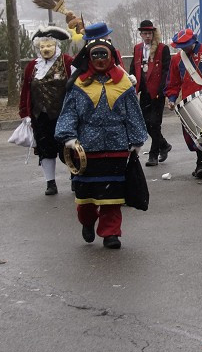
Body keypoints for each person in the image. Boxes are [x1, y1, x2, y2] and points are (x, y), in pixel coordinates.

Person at [55, 34, 147, 249]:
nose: (99, 59)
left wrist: (136, 139)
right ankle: (87, 222)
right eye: (94, 55)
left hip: (116, 147)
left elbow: (134, 113)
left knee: (113, 195)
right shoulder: (78, 84)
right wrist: (68, 137)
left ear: (111, 56)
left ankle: (110, 233)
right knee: (86, 197)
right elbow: (68, 113)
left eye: (103, 54)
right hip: (86, 149)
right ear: (88, 57)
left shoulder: (124, 83)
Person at [19, 26, 74, 195]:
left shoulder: (67, 62)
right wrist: (25, 113)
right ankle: (50, 183)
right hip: (40, 115)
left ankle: (75, 178)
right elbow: (26, 91)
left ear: (56, 46)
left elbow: (77, 87)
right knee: (45, 149)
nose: (45, 49)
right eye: (42, 46)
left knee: (68, 148)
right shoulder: (32, 67)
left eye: (49, 45)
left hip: (63, 115)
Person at [165, 28, 202, 179]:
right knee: (192, 133)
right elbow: (173, 82)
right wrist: (171, 98)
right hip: (187, 101)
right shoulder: (177, 59)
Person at [130, 19, 173, 167]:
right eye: (145, 33)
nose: (147, 36)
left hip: (157, 92)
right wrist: (131, 86)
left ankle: (153, 155)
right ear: (141, 34)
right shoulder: (137, 49)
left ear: (153, 34)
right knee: (145, 123)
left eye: (150, 33)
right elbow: (132, 70)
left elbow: (167, 71)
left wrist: (162, 90)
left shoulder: (162, 48)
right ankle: (164, 145)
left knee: (155, 123)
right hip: (144, 92)